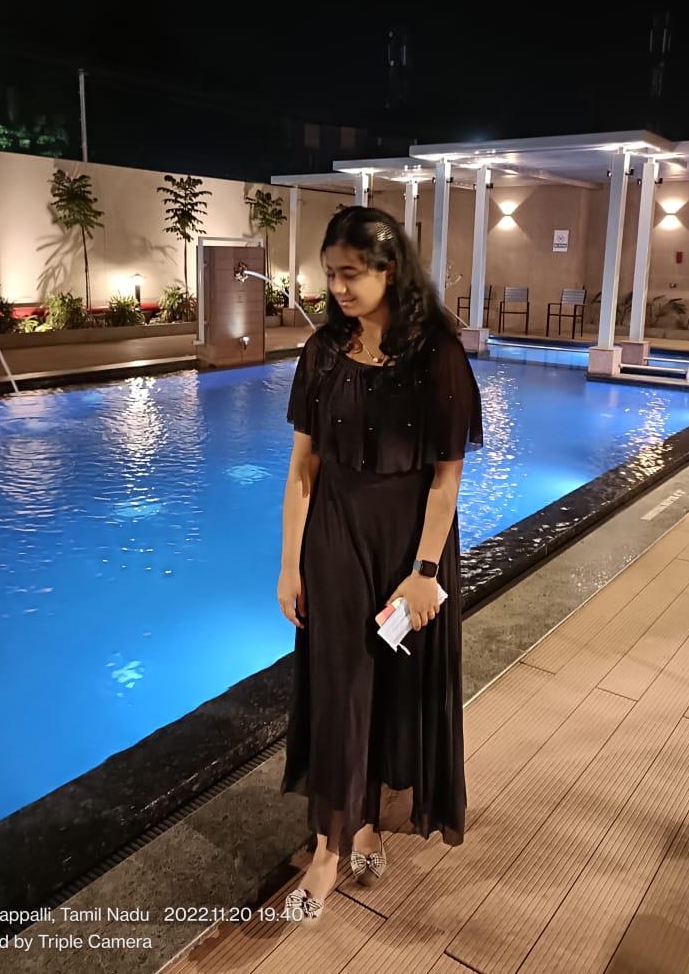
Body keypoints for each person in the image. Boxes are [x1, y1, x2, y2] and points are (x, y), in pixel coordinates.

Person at [277, 206, 483, 925]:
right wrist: (289, 565)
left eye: (350, 274)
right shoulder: (322, 352)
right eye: (329, 274)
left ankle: (366, 824)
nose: (336, 288)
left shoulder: (438, 355)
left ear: (389, 271)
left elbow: (446, 480)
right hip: (335, 535)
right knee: (339, 688)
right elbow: (302, 468)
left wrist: (424, 572)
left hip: (410, 544)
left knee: (392, 686)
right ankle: (328, 849)